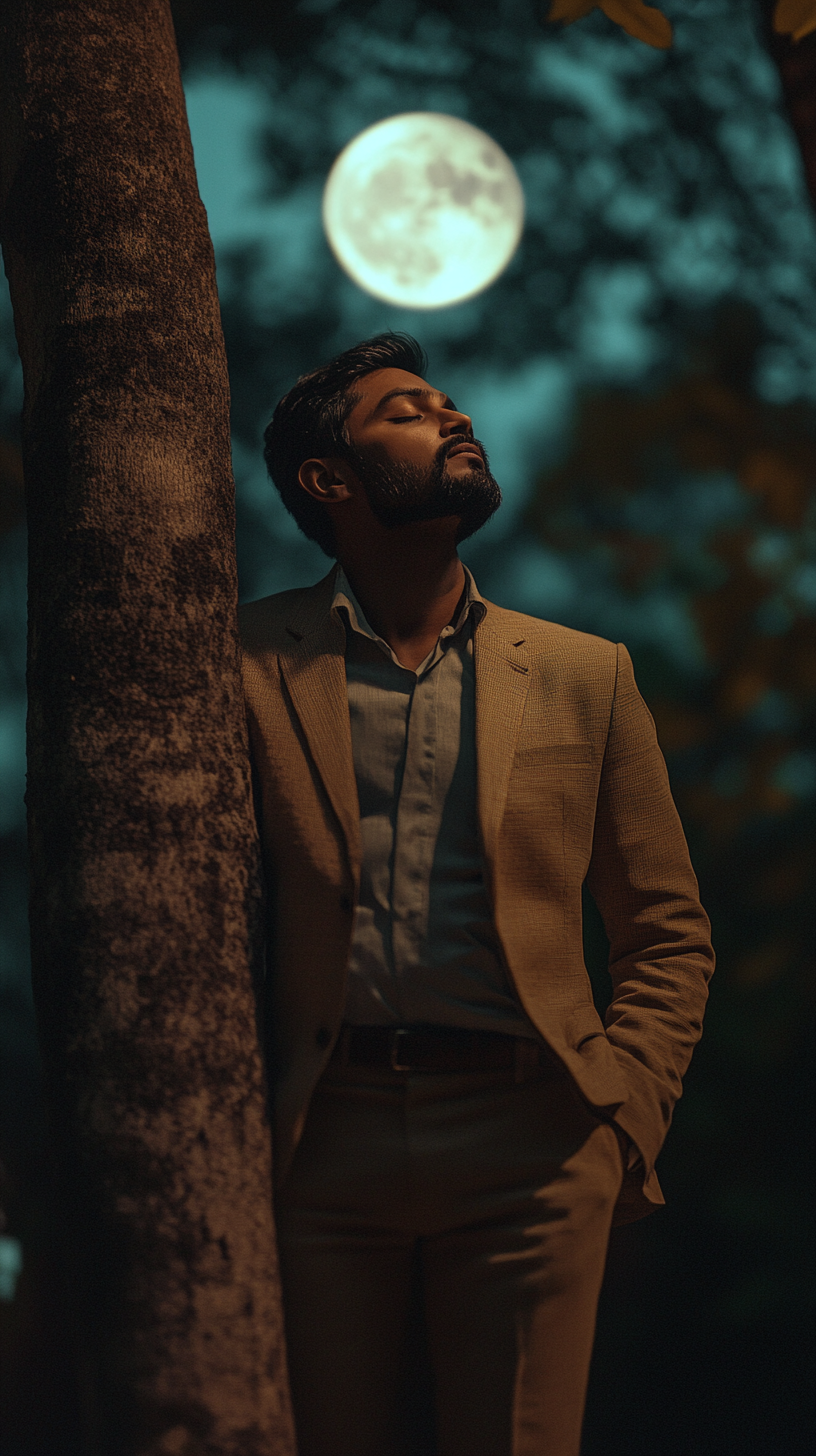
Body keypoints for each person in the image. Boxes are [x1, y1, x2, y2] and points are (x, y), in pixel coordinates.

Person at [238, 332, 714, 1456]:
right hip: (318, 1135)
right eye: (407, 410)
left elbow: (665, 928)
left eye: (451, 403)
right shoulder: (243, 659)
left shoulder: (583, 673)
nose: (453, 418)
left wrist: (620, 1112)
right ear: (329, 481)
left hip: (533, 1138)